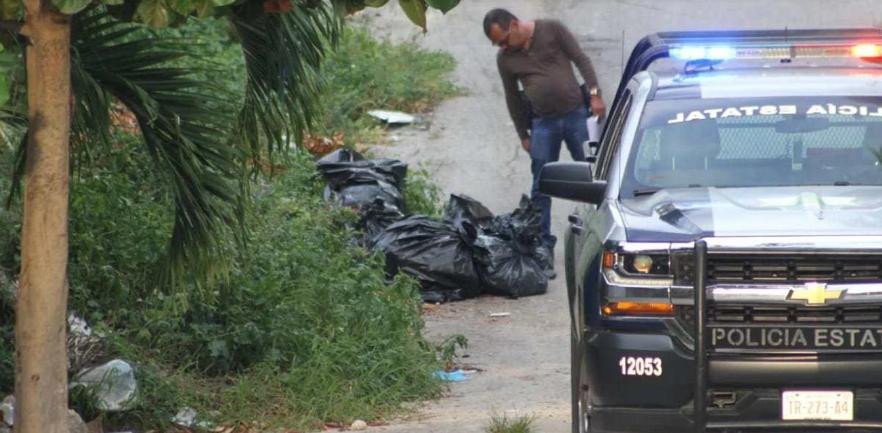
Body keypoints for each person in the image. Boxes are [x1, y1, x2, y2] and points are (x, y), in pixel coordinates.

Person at [484, 8, 606, 263]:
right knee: (541, 184)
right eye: (498, 44)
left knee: (596, 174)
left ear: (514, 25)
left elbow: (581, 59)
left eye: (504, 40)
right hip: (542, 124)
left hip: (575, 115)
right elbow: (512, 96)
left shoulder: (551, 29)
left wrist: (594, 94)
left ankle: (604, 234)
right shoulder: (505, 59)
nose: (502, 46)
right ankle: (542, 247)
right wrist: (523, 133)